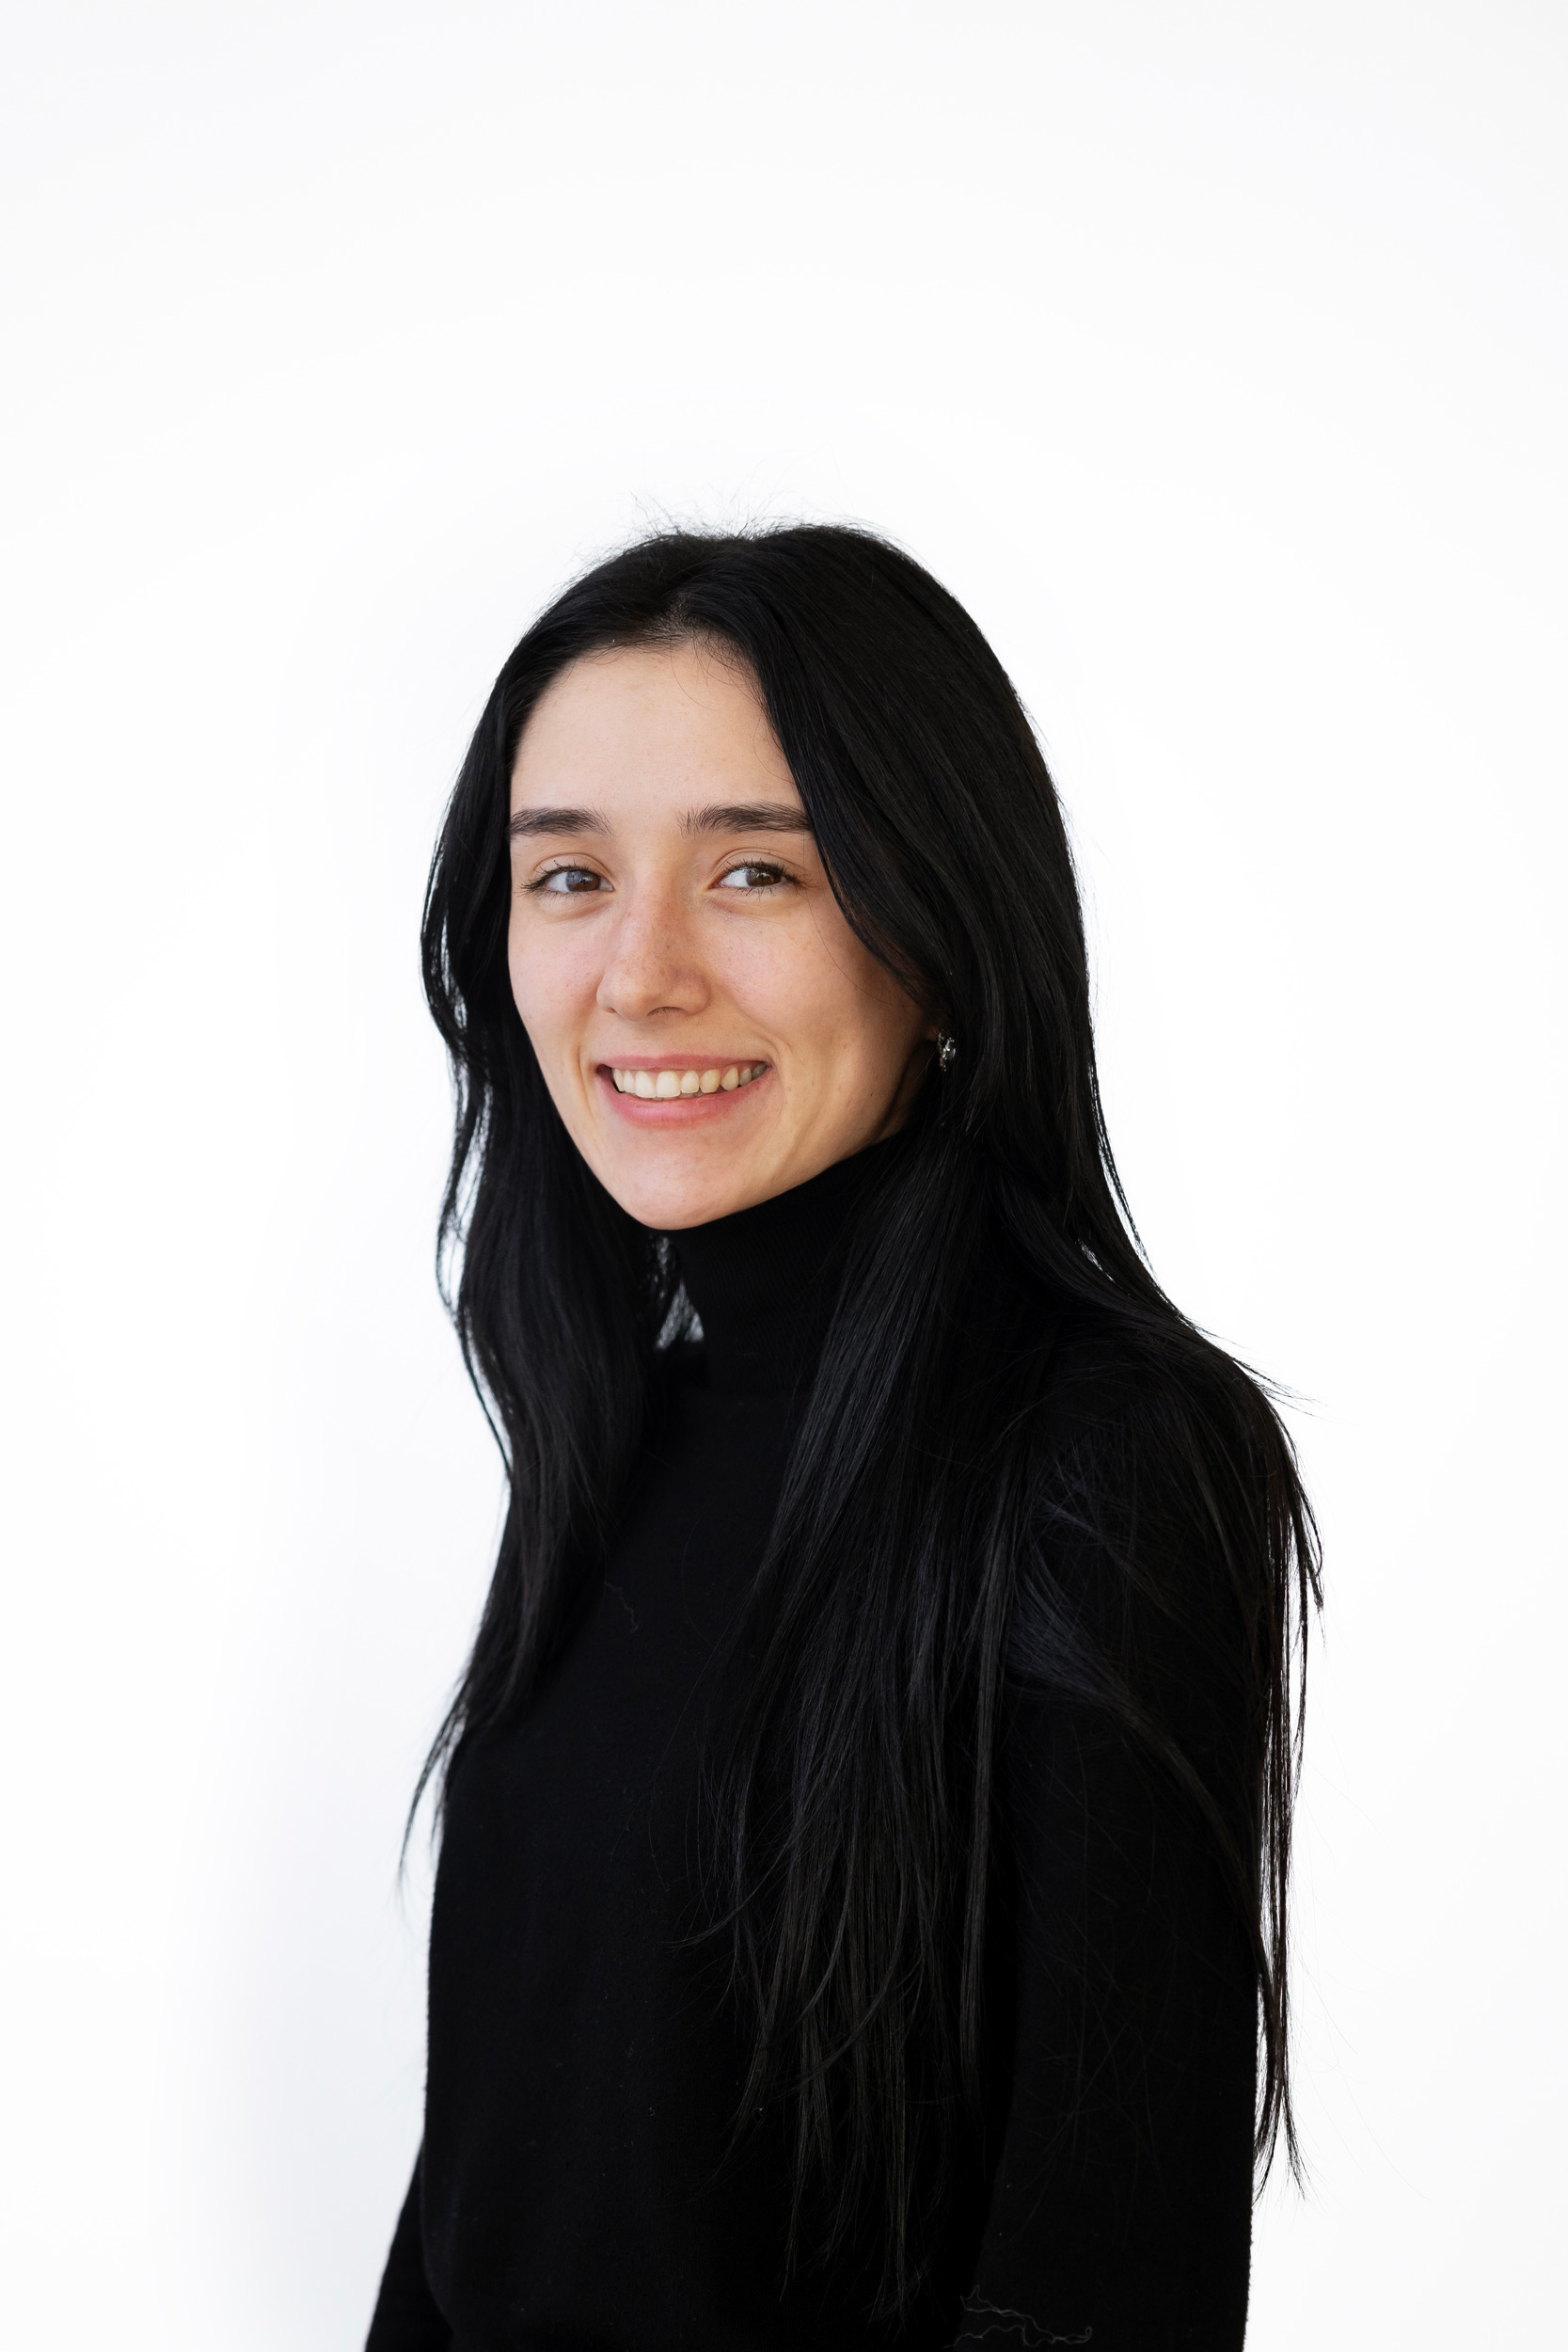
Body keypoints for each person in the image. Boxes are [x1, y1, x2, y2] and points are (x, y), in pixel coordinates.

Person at [366, 525, 1318, 2351]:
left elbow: (1105, 2286)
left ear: (942, 938)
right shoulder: (617, 1425)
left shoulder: (1108, 1455)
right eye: (568, 874)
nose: (639, 973)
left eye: (756, 871)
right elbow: (487, 2180)